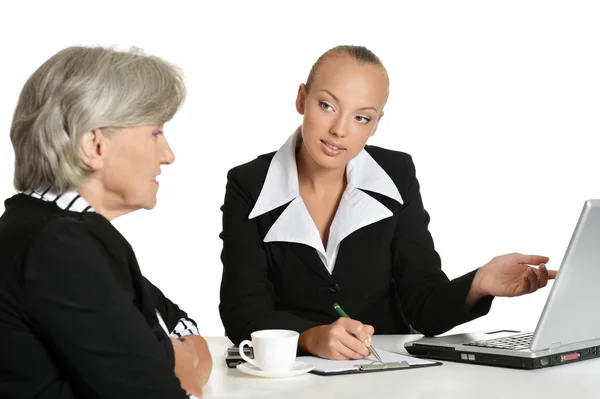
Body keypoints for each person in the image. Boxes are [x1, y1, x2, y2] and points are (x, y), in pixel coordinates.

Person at [218, 45, 556, 361]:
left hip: (385, 376)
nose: (339, 130)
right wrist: (309, 337)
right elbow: (241, 311)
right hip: (293, 380)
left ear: (376, 123)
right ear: (302, 98)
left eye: (361, 117)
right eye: (327, 105)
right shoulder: (249, 183)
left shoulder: (396, 173)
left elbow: (424, 308)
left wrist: (479, 283)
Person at [0, 46, 211, 398]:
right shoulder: (60, 248)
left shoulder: (50, 230)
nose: (168, 155)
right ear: (94, 146)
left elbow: (175, 322)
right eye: (155, 132)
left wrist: (182, 358)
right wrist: (183, 363)